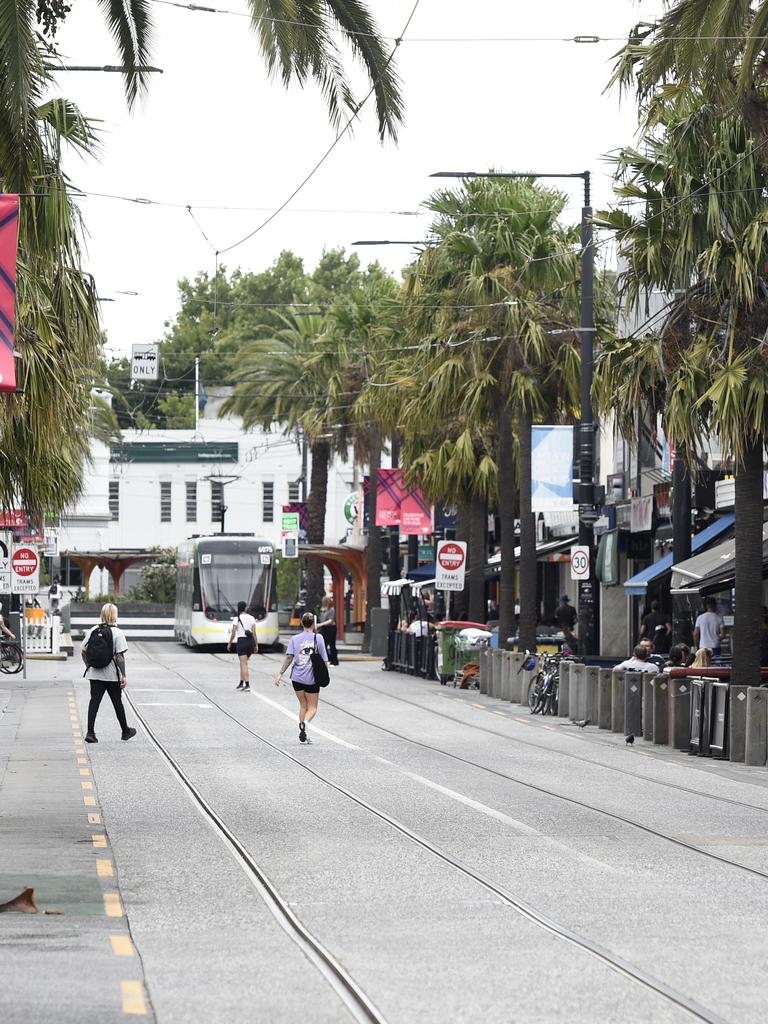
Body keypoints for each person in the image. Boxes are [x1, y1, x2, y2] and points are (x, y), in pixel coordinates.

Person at [81, 602, 135, 743]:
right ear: (115, 615)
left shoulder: (93, 630)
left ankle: (90, 733)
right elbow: (119, 657)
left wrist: (89, 665)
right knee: (117, 702)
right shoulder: (118, 633)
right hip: (112, 676)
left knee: (94, 703)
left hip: (95, 674)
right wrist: (123, 675)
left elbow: (83, 651)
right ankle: (125, 731)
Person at [274, 612, 330, 744]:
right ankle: (305, 723)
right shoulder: (319, 638)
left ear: (301, 623)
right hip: (312, 679)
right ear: (314, 624)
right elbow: (325, 660)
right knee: (313, 707)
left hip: (297, 678)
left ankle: (304, 733)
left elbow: (289, 657)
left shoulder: (295, 639)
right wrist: (325, 675)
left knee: (303, 705)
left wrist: (280, 674)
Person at [227, 600, 258, 691]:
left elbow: (233, 633)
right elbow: (254, 633)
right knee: (243, 662)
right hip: (250, 641)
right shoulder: (252, 618)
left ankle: (247, 684)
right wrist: (256, 644)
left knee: (243, 663)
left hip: (242, 641)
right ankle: (241, 682)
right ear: (245, 608)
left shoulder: (237, 619)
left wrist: (229, 643)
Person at [316, 595, 339, 666]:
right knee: (324, 644)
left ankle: (334, 661)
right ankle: (326, 659)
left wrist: (320, 624)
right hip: (324, 628)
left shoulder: (331, 610)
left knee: (332, 644)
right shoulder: (322, 609)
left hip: (331, 628)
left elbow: (330, 620)